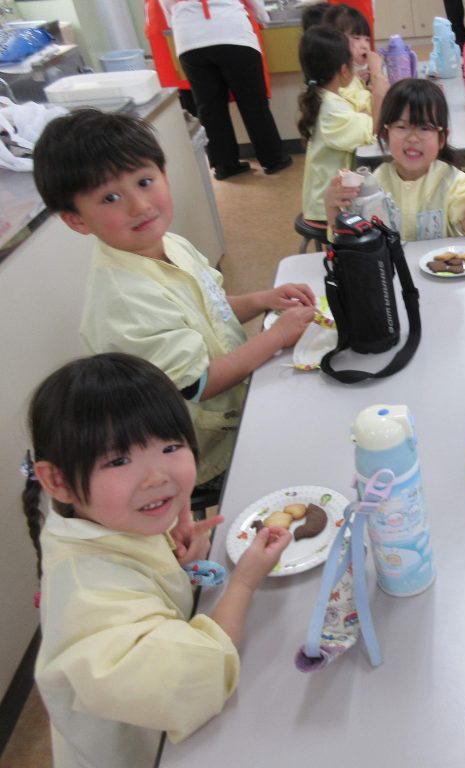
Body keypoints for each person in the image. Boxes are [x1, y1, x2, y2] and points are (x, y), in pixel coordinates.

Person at [24, 353, 293, 768]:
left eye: (170, 446)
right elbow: (198, 680)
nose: (157, 476)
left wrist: (176, 562)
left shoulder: (108, 521)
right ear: (57, 481)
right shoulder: (87, 597)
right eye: (118, 460)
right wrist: (243, 582)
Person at [32, 110, 316, 485]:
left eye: (145, 181)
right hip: (203, 446)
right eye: (111, 197)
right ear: (77, 219)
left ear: (164, 175)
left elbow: (211, 306)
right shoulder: (124, 300)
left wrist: (264, 299)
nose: (139, 205)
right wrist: (277, 335)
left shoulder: (169, 244)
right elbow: (199, 383)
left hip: (239, 399)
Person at [326, 79, 465, 241]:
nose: (413, 138)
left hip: (442, 261)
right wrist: (332, 206)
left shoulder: (452, 181)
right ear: (385, 134)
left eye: (424, 128)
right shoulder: (375, 184)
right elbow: (348, 238)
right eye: (401, 127)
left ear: (441, 139)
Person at [160, 0, 292, 179]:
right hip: (230, 30)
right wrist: (263, 16)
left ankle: (224, 165)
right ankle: (273, 160)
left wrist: (179, 19)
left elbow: (166, 6)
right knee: (253, 103)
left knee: (209, 107)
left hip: (188, 38)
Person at [298, 25, 378, 227]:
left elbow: (362, 112)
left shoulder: (326, 97)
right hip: (326, 208)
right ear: (344, 70)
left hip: (330, 197)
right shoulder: (331, 108)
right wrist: (377, 74)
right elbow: (374, 127)